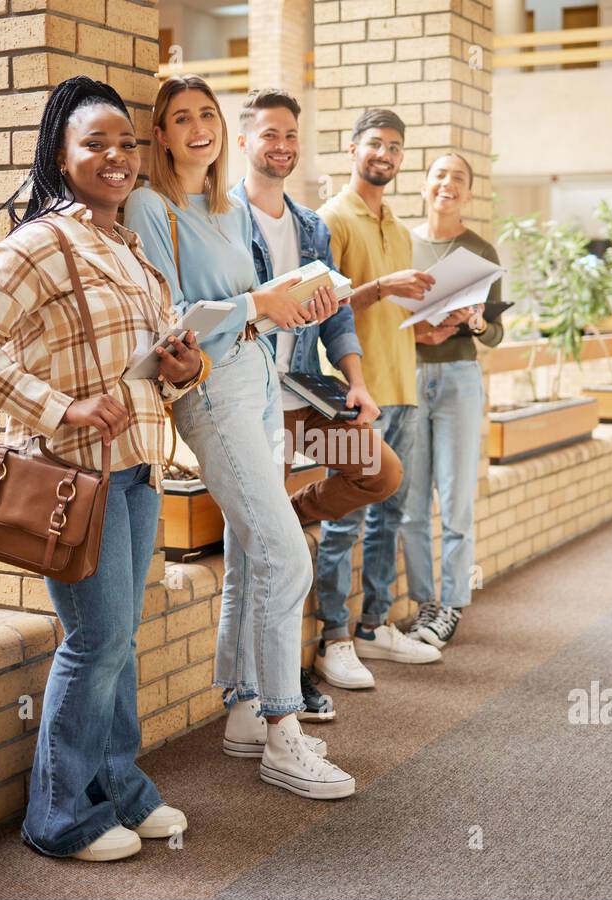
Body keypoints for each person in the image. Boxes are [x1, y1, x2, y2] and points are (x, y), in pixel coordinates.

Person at [0, 77, 208, 862]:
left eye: (127, 143)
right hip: (73, 475)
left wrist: (183, 364)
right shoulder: (40, 242)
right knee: (95, 639)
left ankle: (117, 785)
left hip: (136, 471)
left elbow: (151, 359)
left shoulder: (125, 244)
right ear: (60, 153)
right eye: (96, 143)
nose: (117, 156)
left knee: (120, 637)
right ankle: (58, 815)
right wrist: (62, 408)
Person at [122, 75, 355, 799]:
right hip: (211, 391)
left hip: (259, 377)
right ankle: (286, 734)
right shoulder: (148, 206)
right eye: (181, 117)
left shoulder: (223, 208)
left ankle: (247, 711)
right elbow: (167, 322)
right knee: (288, 553)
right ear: (160, 134)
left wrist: (287, 305)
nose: (199, 127)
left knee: (255, 552)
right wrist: (257, 302)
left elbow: (246, 313)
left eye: (207, 115)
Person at [231, 87, 405, 698]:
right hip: (249, 404)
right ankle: (266, 690)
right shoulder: (223, 218)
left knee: (378, 472)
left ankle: (296, 516)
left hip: (304, 394)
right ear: (245, 140)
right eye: (269, 134)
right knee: (265, 565)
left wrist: (357, 383)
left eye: (290, 136)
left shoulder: (308, 226)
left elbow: (336, 318)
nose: (281, 146)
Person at [314, 108, 453, 685]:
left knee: (390, 514)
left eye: (395, 147)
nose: (386, 155)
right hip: (354, 394)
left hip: (404, 386)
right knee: (345, 518)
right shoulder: (328, 220)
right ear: (352, 150)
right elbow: (321, 307)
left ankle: (372, 627)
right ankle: (333, 638)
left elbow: (395, 315)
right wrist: (381, 286)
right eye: (376, 144)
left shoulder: (398, 228)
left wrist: (433, 328)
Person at [401, 153, 504, 649]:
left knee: (456, 500)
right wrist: (420, 329)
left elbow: (497, 333)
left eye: (458, 179)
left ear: (467, 194)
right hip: (411, 375)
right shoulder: (403, 244)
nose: (448, 184)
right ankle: (425, 603)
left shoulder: (481, 251)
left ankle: (453, 603)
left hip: (460, 379)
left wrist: (476, 321)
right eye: (440, 176)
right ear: (425, 186)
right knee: (413, 504)